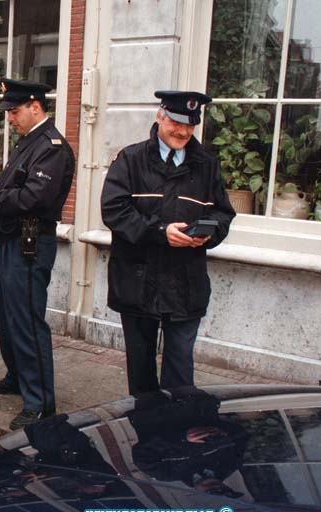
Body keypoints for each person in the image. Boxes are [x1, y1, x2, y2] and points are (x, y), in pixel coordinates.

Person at [101, 90, 236, 396]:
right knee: (141, 372)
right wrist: (159, 232)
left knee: (180, 372)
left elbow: (223, 213)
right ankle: (146, 434)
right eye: (176, 122)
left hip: (185, 284)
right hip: (138, 283)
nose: (183, 131)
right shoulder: (130, 159)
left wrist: (209, 233)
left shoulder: (207, 164)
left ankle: (178, 437)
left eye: (190, 125)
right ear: (160, 116)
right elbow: (114, 210)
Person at [0, 79, 75, 430]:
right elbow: (16, 182)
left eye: (14, 111)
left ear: (35, 106)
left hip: (29, 244)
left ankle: (40, 403)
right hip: (11, 241)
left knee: (27, 321)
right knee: (11, 318)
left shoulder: (52, 146)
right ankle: (18, 375)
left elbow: (34, 198)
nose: (10, 118)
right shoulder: (29, 143)